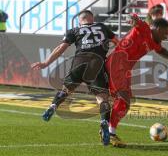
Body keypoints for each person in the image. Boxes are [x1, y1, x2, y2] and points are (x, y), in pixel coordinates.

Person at [31, 10, 118, 146]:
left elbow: (60, 48)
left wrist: (45, 63)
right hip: (97, 63)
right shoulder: (102, 27)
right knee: (102, 98)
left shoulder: (73, 30)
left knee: (66, 90)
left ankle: (53, 106)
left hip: (79, 62)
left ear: (79, 20)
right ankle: (104, 122)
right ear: (92, 18)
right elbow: (118, 43)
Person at [106, 14, 168, 147]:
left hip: (124, 69)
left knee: (122, 103)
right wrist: (133, 19)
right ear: (158, 28)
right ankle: (110, 133)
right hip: (117, 63)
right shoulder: (145, 29)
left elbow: (161, 50)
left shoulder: (154, 42)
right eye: (165, 33)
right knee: (123, 100)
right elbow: (136, 21)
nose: (166, 37)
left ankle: (108, 128)